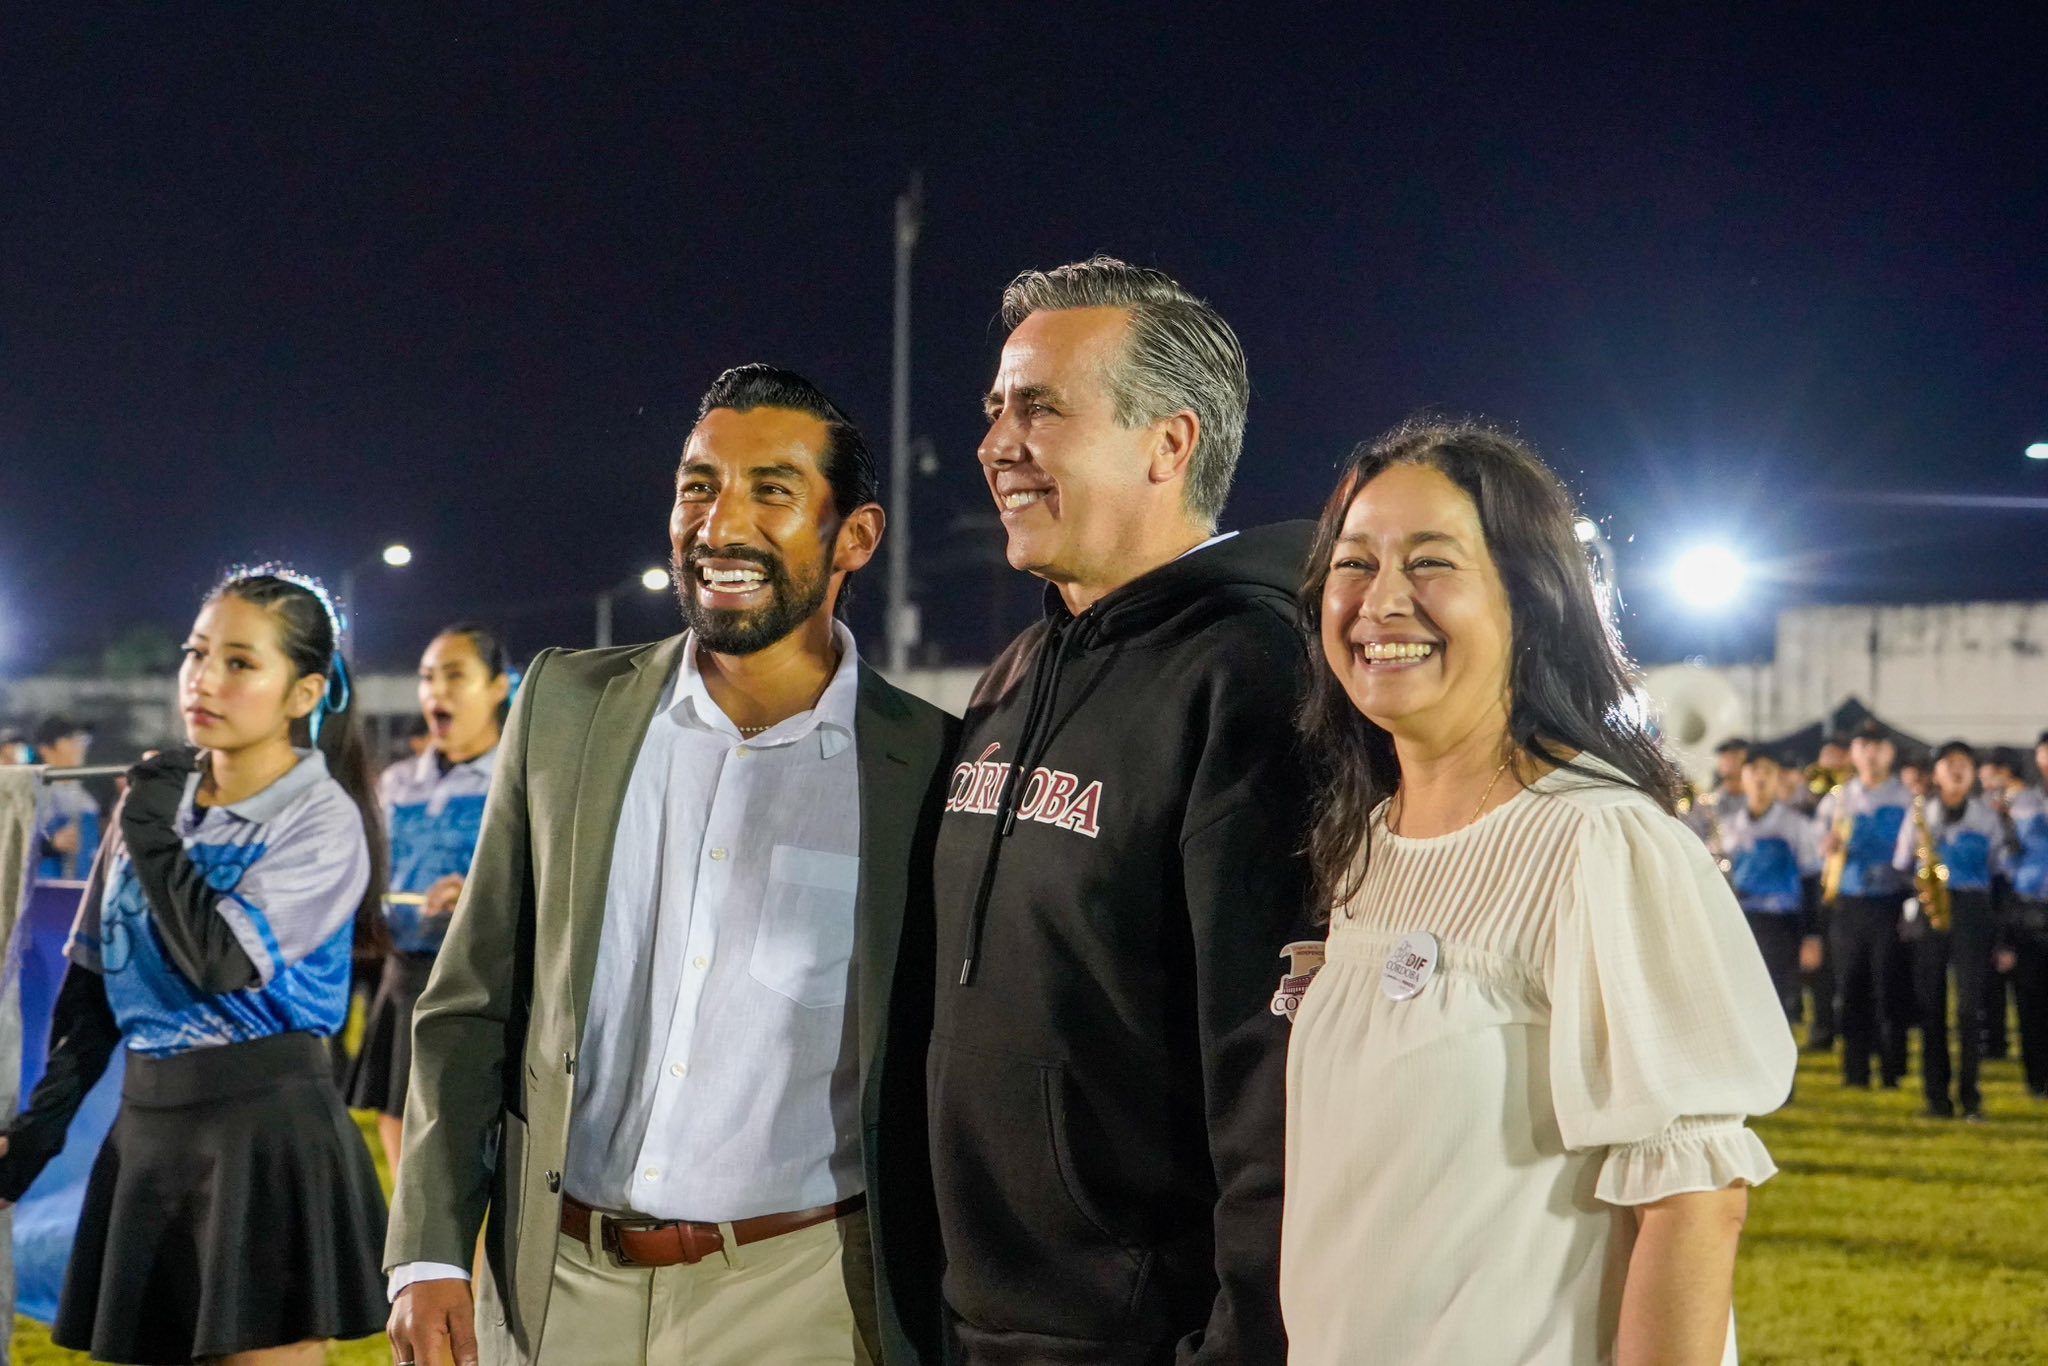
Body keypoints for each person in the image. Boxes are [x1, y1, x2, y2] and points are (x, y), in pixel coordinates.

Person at [385, 364, 957, 1366]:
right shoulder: (566, 707)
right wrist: (428, 1250)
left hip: (805, 1299)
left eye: (771, 490)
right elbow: (469, 1000)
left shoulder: (930, 767)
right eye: (698, 485)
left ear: (854, 538)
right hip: (553, 1289)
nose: (719, 522)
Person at [1281, 420, 1793, 1364]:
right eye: (1354, 563)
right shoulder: (1367, 845)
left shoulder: (1602, 842)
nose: (1380, 600)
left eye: (1431, 563)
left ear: (1533, 600)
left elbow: (1693, 1204)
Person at [930, 257, 1310, 1364]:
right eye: (995, 408)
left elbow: (1271, 1068)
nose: (998, 443)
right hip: (977, 1316)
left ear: (1169, 442)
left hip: (1138, 1333)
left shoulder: (1252, 675)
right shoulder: (1014, 669)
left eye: (1040, 408)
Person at [0, 567, 391, 1363]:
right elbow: (95, 987)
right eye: (196, 653)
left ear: (304, 693)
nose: (203, 680)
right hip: (147, 1130)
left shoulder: (322, 822)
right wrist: (37, 1135)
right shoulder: (157, 804)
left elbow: (219, 959)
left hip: (263, 1132)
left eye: (241, 662)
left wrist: (148, 829)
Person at [348, 624, 514, 1169]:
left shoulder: (520, 781)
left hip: (482, 982)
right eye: (426, 678)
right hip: (404, 976)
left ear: (497, 688)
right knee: (397, 1115)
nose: (435, 691)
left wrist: (478, 894)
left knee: (474, 1142)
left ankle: (479, 1257)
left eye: (455, 675)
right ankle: (407, 1249)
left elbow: (550, 879)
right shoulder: (396, 783)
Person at [1892, 740, 2003, 1119]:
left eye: (1964, 764)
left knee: (1970, 1008)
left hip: (1971, 909)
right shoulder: (1919, 813)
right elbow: (1902, 863)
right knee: (1931, 1007)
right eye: (1949, 764)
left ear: (1972, 774)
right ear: (1936, 774)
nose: (1957, 770)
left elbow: (1999, 869)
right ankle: (1936, 1098)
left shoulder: (1988, 818)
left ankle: (1971, 1096)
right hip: (1930, 907)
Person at [1816, 721, 1913, 1087]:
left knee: (1889, 985)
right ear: (1854, 754)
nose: (1870, 754)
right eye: (1863, 746)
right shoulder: (1838, 799)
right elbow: (1817, 846)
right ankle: (1855, 1071)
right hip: (1849, 901)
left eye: (1878, 746)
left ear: (1890, 753)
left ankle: (1892, 1069)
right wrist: (1825, 847)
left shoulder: (1904, 799)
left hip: (1890, 900)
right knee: (1851, 985)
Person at [1723, 750, 1821, 1026]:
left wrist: (1811, 935)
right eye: (1753, 771)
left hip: (1782, 924)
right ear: (1743, 779)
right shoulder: (1731, 827)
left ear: (1778, 780)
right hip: (1743, 920)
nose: (1760, 778)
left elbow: (1811, 879)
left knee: (1776, 1000)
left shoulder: (1796, 825)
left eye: (1767, 772)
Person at [2003, 731, 2048, 1099]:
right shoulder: (2022, 803)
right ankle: (2036, 1077)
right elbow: (2005, 861)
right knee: (2031, 997)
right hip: (2029, 907)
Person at [32, 717, 102, 880]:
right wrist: (50, 845)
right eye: (71, 739)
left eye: (83, 740)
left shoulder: (88, 801)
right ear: (46, 749)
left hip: (81, 892)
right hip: (42, 892)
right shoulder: (30, 795)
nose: (80, 746)